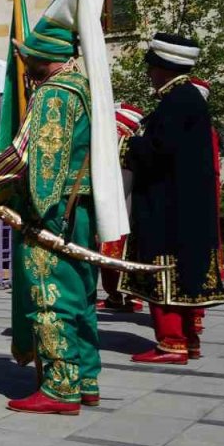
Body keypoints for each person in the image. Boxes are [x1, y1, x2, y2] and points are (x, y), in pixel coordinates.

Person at [0, 0, 128, 415]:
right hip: (81, 210)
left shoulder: (53, 95)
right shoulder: (83, 91)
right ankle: (87, 379)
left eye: (30, 62)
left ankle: (60, 388)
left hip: (53, 213)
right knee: (82, 298)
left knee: (51, 297)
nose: (26, 70)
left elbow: (22, 154)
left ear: (43, 61)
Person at [120, 33, 224, 364]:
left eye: (152, 68)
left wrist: (127, 144)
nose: (150, 74)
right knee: (187, 272)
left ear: (164, 67)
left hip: (168, 211)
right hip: (185, 210)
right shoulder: (188, 100)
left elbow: (157, 152)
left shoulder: (177, 102)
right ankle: (188, 339)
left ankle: (171, 342)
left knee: (164, 270)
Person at [97, 104, 144, 312]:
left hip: (120, 210)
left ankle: (123, 297)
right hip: (127, 210)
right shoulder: (131, 145)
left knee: (114, 255)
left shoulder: (122, 146)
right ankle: (121, 297)